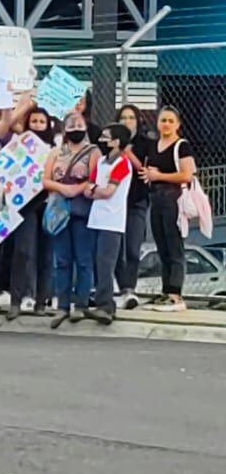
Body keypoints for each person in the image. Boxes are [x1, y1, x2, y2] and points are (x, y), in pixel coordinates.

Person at [42, 111, 100, 329]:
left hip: (82, 210)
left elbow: (94, 178)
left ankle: (81, 303)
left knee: (84, 259)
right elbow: (46, 180)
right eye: (71, 125)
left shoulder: (92, 151)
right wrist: (63, 188)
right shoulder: (55, 152)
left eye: (79, 124)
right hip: (59, 210)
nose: (76, 128)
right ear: (64, 129)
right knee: (62, 260)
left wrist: (77, 189)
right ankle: (62, 305)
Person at [139, 106, 196, 313]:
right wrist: (149, 175)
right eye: (163, 120)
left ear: (178, 124)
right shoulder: (154, 146)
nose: (166, 124)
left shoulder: (182, 146)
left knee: (174, 247)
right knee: (162, 246)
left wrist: (159, 175)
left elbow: (187, 175)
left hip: (174, 199)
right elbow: (149, 172)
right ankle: (166, 291)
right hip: (156, 199)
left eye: (171, 121)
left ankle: (175, 294)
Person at [8, 107, 57, 318]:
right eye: (34, 121)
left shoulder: (56, 149)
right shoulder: (19, 145)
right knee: (23, 252)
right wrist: (28, 102)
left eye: (41, 122)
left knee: (46, 255)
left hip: (47, 205)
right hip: (25, 205)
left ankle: (41, 302)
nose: (37, 125)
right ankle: (16, 301)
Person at [85, 123, 133, 325]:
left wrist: (95, 190)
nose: (102, 140)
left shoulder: (122, 163)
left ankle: (106, 305)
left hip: (112, 221)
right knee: (96, 262)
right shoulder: (102, 162)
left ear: (117, 141)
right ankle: (99, 300)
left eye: (106, 137)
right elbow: (90, 188)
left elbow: (108, 191)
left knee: (106, 263)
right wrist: (95, 190)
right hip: (96, 218)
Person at [116, 104, 152, 309]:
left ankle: (130, 287)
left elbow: (145, 172)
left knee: (132, 246)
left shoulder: (146, 144)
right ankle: (121, 287)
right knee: (116, 248)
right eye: (123, 118)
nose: (127, 122)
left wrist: (129, 154)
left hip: (136, 201)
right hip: (114, 202)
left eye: (131, 118)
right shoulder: (111, 141)